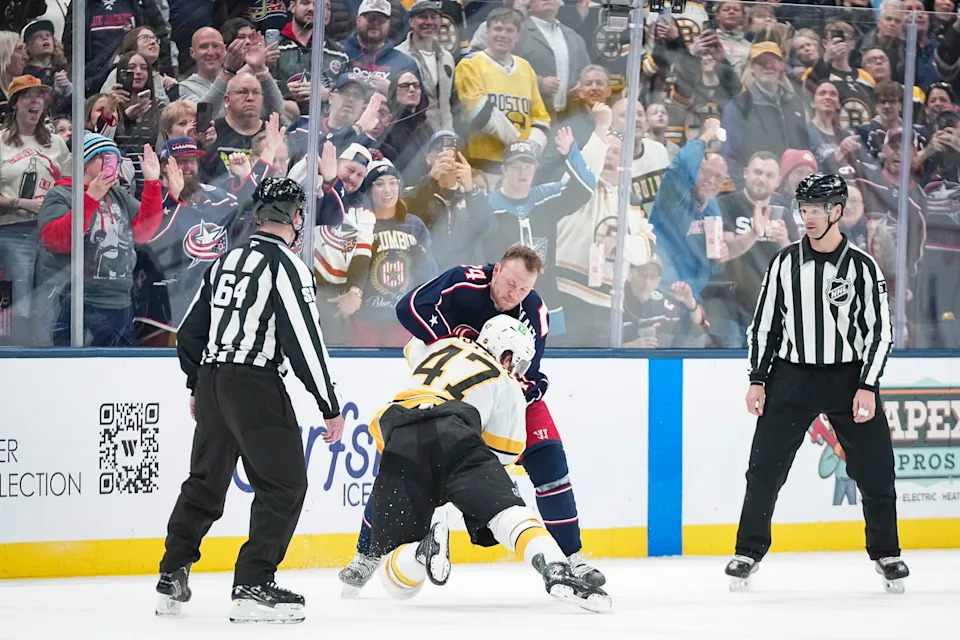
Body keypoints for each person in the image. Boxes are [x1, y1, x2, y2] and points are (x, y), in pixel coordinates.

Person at [338, 246, 605, 593]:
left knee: (551, 462)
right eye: (510, 283)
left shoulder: (534, 309)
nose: (515, 295)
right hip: (452, 402)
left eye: (523, 289)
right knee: (400, 465)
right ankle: (366, 555)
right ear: (495, 271)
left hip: (507, 399)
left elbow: (528, 373)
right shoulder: (463, 282)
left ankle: (572, 558)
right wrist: (451, 350)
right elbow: (408, 308)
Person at [156, 177, 346, 624]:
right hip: (254, 383)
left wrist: (196, 385)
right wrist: (328, 403)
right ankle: (253, 584)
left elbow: (189, 333)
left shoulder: (226, 261)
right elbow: (305, 341)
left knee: (205, 481)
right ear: (295, 217)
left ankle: (171, 574)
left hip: (213, 379)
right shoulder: (289, 266)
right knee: (284, 485)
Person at [728, 172, 907, 594]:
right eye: (802, 209)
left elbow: (880, 332)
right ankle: (747, 551)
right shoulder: (784, 262)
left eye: (815, 209)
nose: (806, 217)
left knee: (876, 470)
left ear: (837, 212)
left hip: (848, 379)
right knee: (764, 471)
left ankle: (887, 553)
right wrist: (757, 378)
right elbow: (764, 325)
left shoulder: (863, 267)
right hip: (790, 377)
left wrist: (868, 385)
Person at [365, 315, 611, 612]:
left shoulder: (441, 344)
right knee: (507, 513)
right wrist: (484, 497)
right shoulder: (504, 381)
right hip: (454, 430)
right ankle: (555, 568)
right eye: (516, 362)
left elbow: (412, 348)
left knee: (396, 579)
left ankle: (420, 553)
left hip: (399, 433)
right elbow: (502, 454)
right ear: (505, 354)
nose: (515, 370)